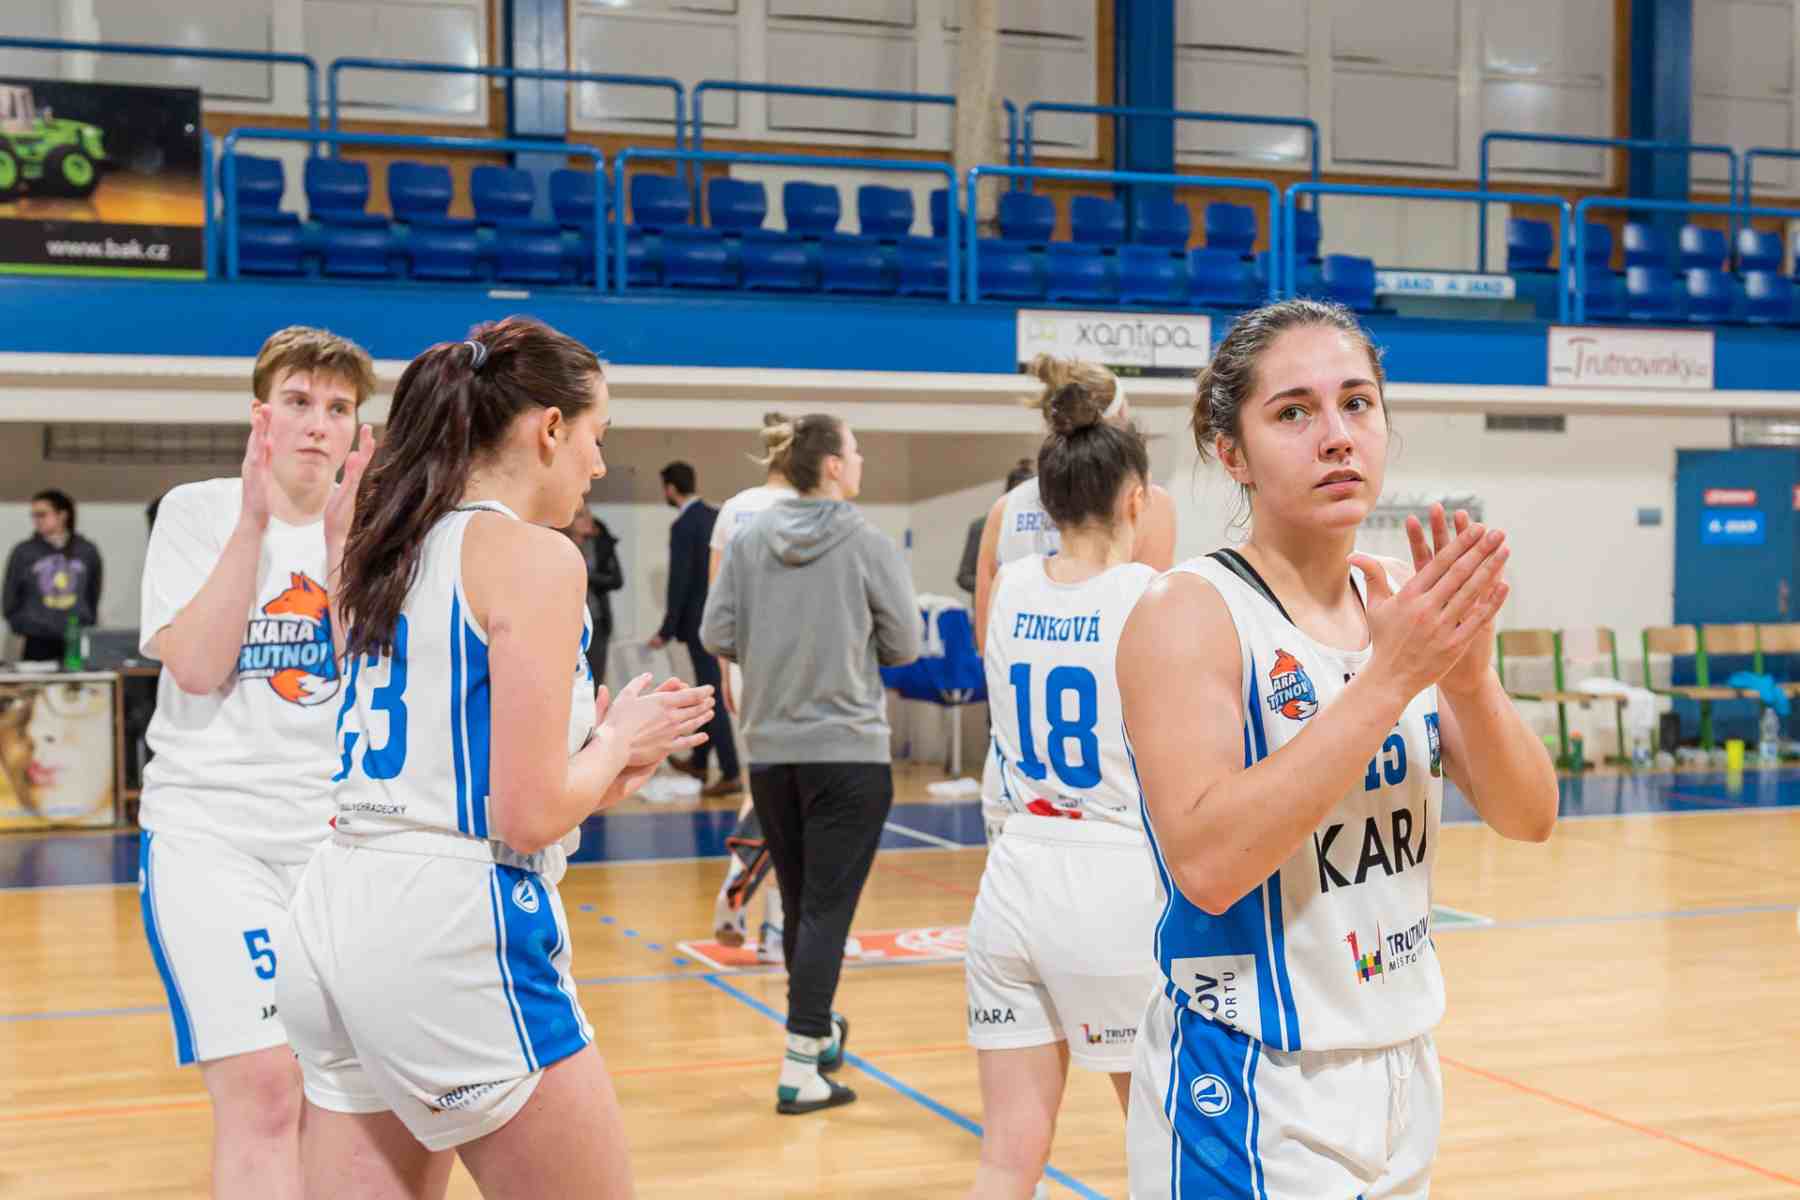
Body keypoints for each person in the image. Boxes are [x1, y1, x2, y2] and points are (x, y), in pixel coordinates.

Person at [1117, 299, 1558, 1197]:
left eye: (1357, 403)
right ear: (1231, 453)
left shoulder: (1401, 598)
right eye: (1294, 412)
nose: (1336, 437)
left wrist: (1470, 681)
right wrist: (1389, 681)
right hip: (1249, 1080)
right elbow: (1206, 866)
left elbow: (1529, 816)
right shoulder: (1189, 611)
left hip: (1401, 1061)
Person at [277, 317, 714, 1199]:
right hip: (451, 926)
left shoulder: (388, 545)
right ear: (549, 429)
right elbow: (527, 815)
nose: (598, 465)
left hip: (334, 904)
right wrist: (618, 742)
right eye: (596, 436)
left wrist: (603, 770)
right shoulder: (533, 555)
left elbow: (458, 775)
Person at [134, 325, 377, 1200]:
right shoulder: (197, 511)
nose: (317, 423)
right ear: (260, 417)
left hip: (337, 845)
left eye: (338, 408)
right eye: (298, 402)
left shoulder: (378, 531)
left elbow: (368, 677)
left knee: (343, 1095)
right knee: (267, 1088)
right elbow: (199, 667)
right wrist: (251, 524)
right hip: (213, 837)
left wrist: (344, 547)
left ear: (358, 431)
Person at [964, 376, 1162, 1199]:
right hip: (1111, 872)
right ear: (1135, 499)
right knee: (1160, 1147)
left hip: (1014, 871)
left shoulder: (1014, 586)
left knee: (1007, 1157)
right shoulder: (1151, 595)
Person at [702, 413, 920, 1115]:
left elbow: (716, 632)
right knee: (826, 910)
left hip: (771, 753)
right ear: (831, 465)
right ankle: (800, 1064)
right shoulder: (867, 541)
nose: (860, 460)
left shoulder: (748, 539)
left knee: (801, 903)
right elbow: (906, 645)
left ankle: (819, 1032)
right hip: (847, 753)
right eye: (855, 450)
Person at [971, 358, 1177, 843]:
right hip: (1109, 796)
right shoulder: (1149, 517)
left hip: (1022, 779)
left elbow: (986, 646)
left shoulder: (1007, 516)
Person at [707, 414, 798, 962]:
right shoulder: (811, 509)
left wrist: (725, 671)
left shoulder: (733, 509)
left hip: (743, 661)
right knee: (794, 799)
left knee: (757, 784)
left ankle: (748, 891)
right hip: (796, 665)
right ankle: (774, 924)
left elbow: (717, 606)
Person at [652, 461, 741, 798]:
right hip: (724, 621)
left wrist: (666, 628)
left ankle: (731, 771)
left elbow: (680, 581)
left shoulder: (683, 526)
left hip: (699, 625)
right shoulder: (715, 517)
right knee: (707, 691)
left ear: (670, 488)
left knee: (711, 694)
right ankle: (701, 762)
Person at [4, 488, 104, 662]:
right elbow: (10, 596)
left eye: (42, 514)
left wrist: (85, 621)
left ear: (62, 515)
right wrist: (23, 624)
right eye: (34, 515)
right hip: (36, 640)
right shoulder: (23, 552)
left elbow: (93, 592)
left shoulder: (86, 551)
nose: (36, 520)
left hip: (75, 637)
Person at [957, 459, 1034, 596]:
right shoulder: (982, 526)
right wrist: (998, 585)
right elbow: (964, 576)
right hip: (993, 603)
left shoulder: (1042, 528)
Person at [566, 508, 623, 688]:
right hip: (566, 619)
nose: (588, 519)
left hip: (596, 619)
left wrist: (586, 574)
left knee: (595, 679)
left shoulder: (601, 543)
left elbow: (617, 580)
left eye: (588, 514)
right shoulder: (556, 544)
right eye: (580, 516)